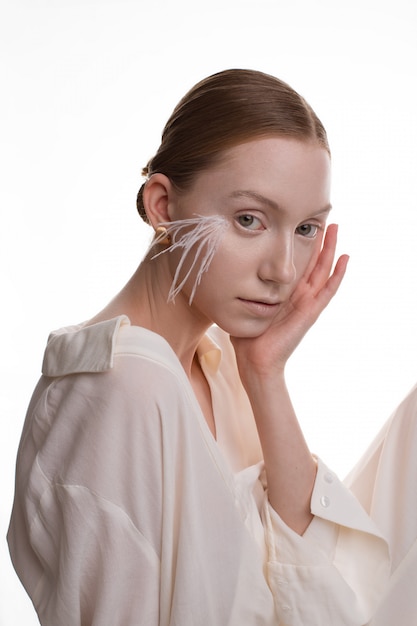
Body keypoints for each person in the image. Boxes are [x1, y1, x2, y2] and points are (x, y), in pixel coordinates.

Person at [7, 69, 416, 625]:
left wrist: (265, 374)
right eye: (250, 220)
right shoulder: (125, 385)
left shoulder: (216, 359)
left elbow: (310, 588)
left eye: (306, 229)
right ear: (163, 207)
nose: (283, 270)